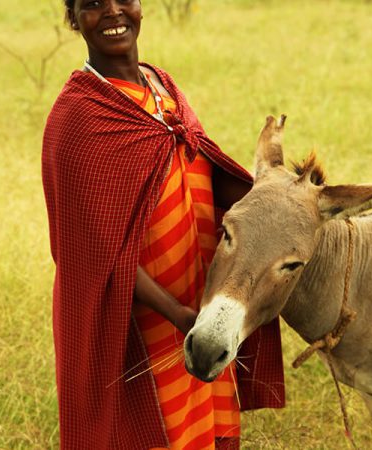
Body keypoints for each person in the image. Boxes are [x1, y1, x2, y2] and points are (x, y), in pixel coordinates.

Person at [41, 0, 285, 449]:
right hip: (143, 319)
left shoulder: (161, 84)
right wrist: (177, 314)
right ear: (73, 18)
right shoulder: (77, 116)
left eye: (123, 1)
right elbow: (91, 254)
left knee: (203, 424)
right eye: (93, 5)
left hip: (200, 300)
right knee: (154, 430)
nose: (113, 13)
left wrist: (283, 205)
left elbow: (205, 173)